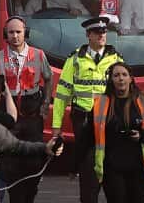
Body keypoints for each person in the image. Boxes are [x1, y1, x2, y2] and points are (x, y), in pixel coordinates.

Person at [51, 18, 123, 203]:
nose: (102, 35)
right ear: (88, 35)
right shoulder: (75, 59)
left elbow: (126, 94)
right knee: (88, 170)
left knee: (113, 170)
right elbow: (61, 95)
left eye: (104, 32)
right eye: (97, 32)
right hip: (84, 121)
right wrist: (56, 127)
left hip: (109, 120)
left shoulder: (116, 59)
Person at [0, 16, 53, 203]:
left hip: (32, 117)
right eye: (11, 32)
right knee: (11, 163)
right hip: (9, 117)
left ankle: (29, 193)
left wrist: (46, 103)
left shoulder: (38, 55)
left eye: (18, 32)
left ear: (25, 33)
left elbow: (48, 78)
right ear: (5, 35)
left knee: (35, 160)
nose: (15, 36)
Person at [90, 62, 144, 203]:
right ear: (111, 80)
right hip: (111, 166)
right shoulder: (101, 103)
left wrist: (142, 135)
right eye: (116, 75)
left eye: (124, 75)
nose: (121, 78)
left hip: (137, 166)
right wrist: (75, 164)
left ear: (131, 78)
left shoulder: (143, 99)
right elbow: (87, 134)